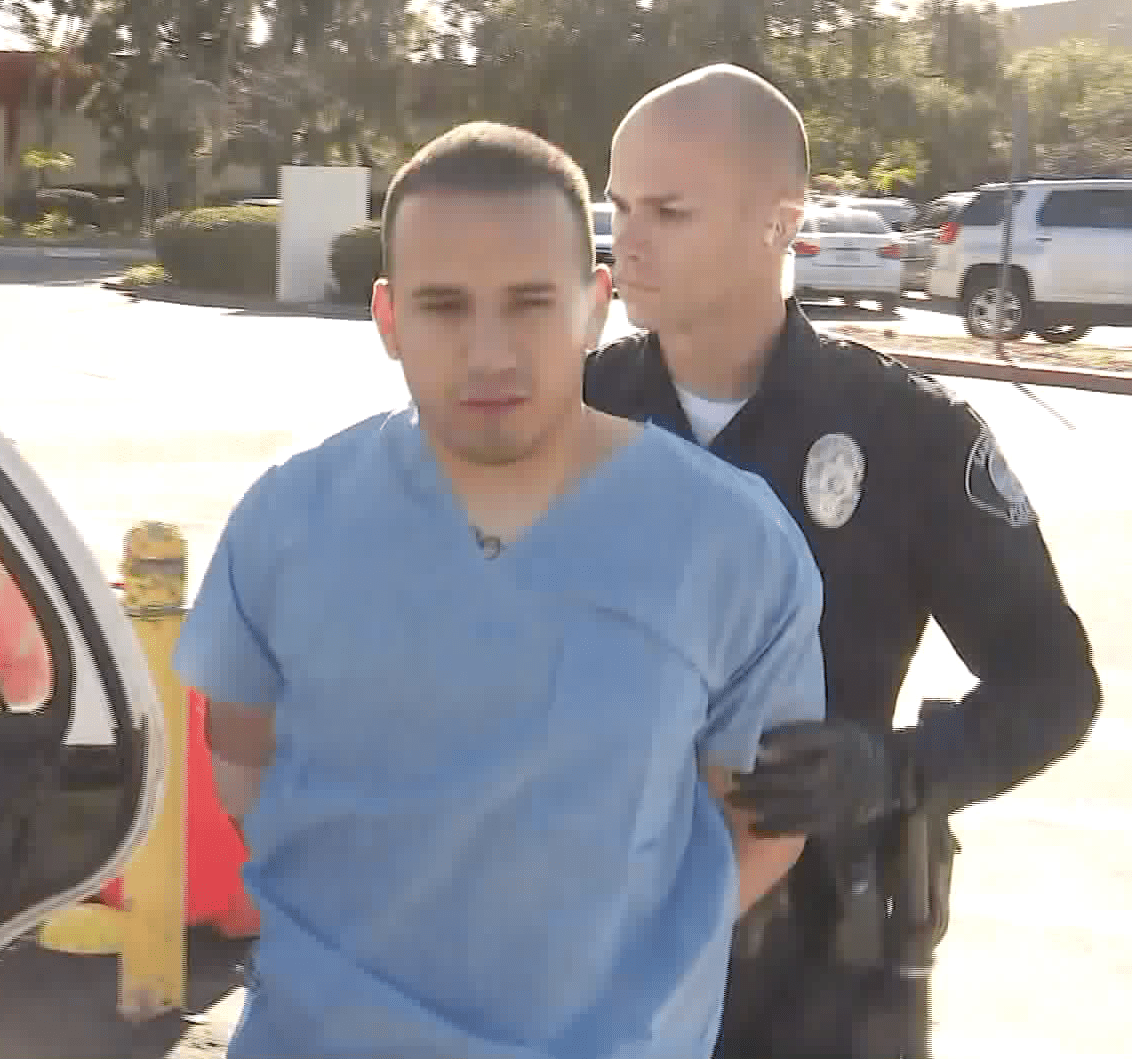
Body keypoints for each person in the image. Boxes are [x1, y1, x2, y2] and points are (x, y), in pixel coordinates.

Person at [174, 121, 826, 1059]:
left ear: (596, 308)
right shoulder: (288, 523)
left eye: (530, 303)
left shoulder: (729, 545)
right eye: (445, 306)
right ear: (388, 319)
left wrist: (610, 966)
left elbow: (757, 822)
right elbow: (241, 765)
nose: (490, 353)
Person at [587, 63, 1102, 1058]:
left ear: (779, 220)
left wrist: (896, 771)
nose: (628, 239)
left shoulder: (907, 436)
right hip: (593, 944)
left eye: (668, 209)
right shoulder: (575, 417)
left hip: (815, 973)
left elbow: (1053, 682)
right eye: (618, 205)